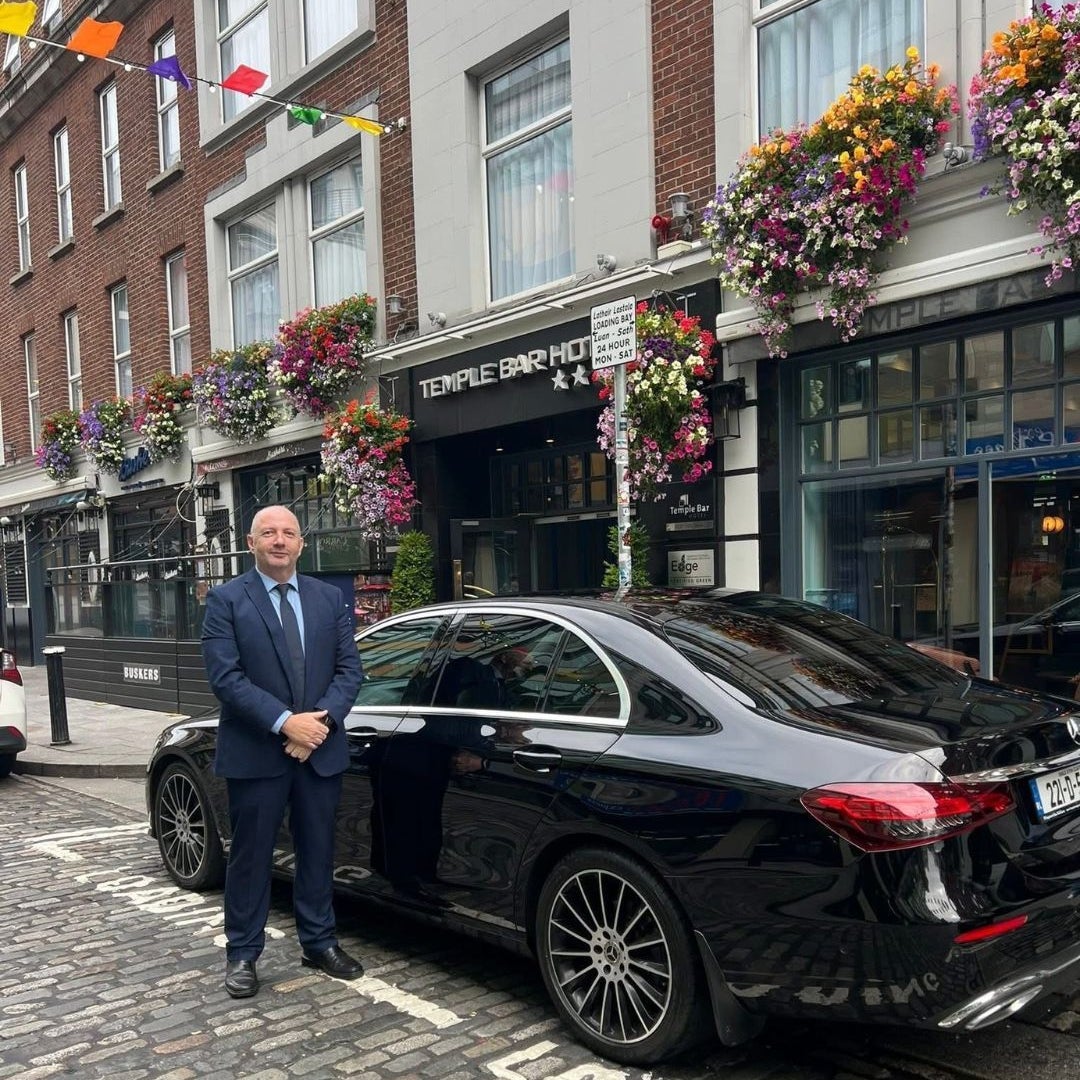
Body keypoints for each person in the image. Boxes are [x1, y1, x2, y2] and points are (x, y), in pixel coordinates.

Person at [201, 505, 365, 999]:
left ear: (300, 544)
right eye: (268, 533)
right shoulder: (226, 599)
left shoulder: (328, 597)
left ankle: (318, 943)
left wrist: (319, 724)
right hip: (257, 752)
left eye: (288, 533)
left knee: (318, 852)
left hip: (319, 749)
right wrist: (284, 723)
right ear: (251, 542)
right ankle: (243, 954)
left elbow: (350, 671)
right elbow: (226, 678)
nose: (279, 540)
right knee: (250, 858)